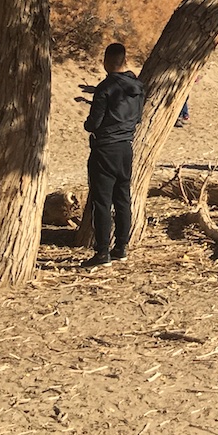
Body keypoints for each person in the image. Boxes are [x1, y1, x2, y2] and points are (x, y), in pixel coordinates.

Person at [83, 41, 144, 268]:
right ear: (124, 60)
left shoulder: (105, 87)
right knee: (122, 198)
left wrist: (88, 125)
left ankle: (102, 252)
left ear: (107, 61)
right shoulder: (137, 87)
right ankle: (121, 247)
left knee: (102, 201)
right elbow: (138, 118)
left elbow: (94, 122)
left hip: (105, 148)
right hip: (126, 147)